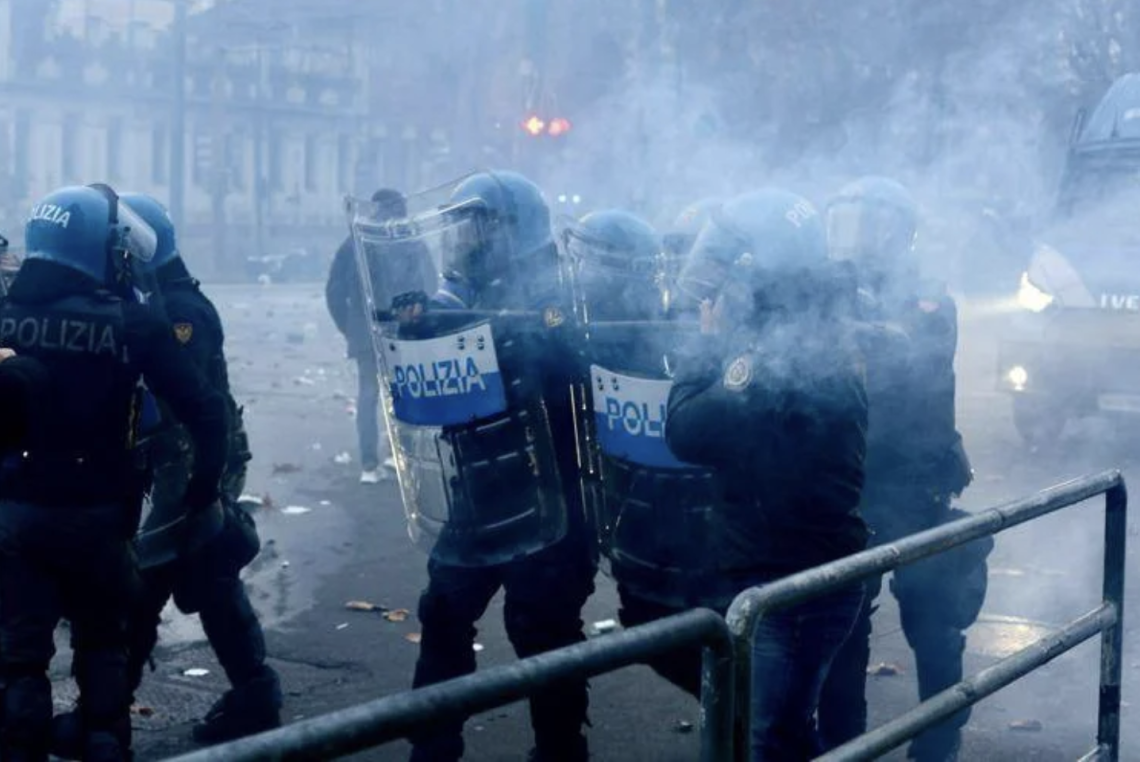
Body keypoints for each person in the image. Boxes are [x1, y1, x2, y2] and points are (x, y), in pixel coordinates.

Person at [362, 170, 595, 762]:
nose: (465, 241)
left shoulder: (557, 292)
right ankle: (432, 746)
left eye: (478, 227)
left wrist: (497, 334)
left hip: (551, 493)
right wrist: (418, 326)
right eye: (461, 229)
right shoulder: (462, 290)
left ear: (511, 229)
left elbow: (566, 363)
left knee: (542, 632)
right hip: (479, 489)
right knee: (443, 612)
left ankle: (560, 751)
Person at [0, 184, 229, 762]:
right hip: (101, 517)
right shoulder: (135, 324)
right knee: (103, 644)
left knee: (19, 659)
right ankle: (104, 742)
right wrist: (203, 490)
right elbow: (204, 409)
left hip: (16, 516)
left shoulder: (6, 312)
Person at [51, 193, 281, 756]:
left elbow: (187, 402)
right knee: (206, 585)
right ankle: (254, 691)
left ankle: (101, 718)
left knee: (148, 588)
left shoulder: (180, 312)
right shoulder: (156, 300)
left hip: (192, 466)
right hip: (180, 465)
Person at [665, 188, 869, 760]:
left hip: (787, 585)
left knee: (762, 738)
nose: (714, 288)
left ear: (760, 272)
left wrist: (705, 351)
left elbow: (686, 430)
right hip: (794, 574)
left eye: (726, 267)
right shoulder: (810, 333)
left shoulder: (777, 358)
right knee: (783, 731)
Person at [817, 176, 988, 762]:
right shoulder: (833, 289)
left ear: (896, 230)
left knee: (934, 621)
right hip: (856, 483)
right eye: (843, 221)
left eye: (866, 223)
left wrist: (842, 332)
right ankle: (845, 746)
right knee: (844, 627)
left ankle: (938, 742)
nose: (853, 238)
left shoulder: (926, 296)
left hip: (915, 482)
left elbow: (907, 355)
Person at [566, 208, 724, 698]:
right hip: (642, 530)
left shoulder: (695, 335)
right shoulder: (610, 329)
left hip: (698, 533)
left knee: (713, 655)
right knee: (655, 634)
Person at [326, 188, 435, 483]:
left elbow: (334, 291)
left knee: (369, 395)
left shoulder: (355, 243)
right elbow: (430, 287)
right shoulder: (411, 241)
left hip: (366, 332)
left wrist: (349, 328)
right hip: (407, 333)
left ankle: (369, 464)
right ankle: (403, 457)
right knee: (406, 393)